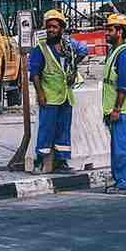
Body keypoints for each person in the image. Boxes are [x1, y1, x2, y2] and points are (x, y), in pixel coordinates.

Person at [28, 9, 88, 173]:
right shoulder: (41, 48)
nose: (51, 30)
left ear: (62, 29)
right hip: (49, 97)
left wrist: (74, 67)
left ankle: (62, 162)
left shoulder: (68, 46)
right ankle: (39, 161)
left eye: (55, 27)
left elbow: (84, 50)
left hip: (66, 97)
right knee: (46, 130)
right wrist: (40, 94)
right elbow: (34, 74)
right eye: (49, 27)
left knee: (63, 130)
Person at [103, 13, 126, 193]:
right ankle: (120, 181)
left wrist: (117, 108)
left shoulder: (124, 54)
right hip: (114, 111)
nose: (106, 33)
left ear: (121, 32)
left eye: (110, 30)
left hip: (121, 111)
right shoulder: (115, 52)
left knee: (123, 149)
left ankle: (125, 183)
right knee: (117, 149)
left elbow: (124, 85)